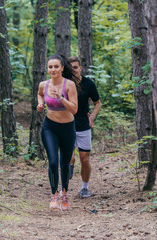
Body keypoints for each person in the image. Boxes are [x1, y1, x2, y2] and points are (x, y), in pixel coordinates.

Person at [37, 54, 78, 211]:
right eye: (50, 67)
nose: (52, 69)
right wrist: (40, 104)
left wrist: (61, 97)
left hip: (67, 128)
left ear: (62, 68)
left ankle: (65, 193)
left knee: (65, 163)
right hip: (50, 127)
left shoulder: (69, 85)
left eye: (56, 66)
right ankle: (54, 195)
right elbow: (40, 94)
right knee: (53, 162)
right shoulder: (43, 84)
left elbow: (74, 109)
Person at [68, 56, 101, 198]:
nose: (73, 70)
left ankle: (85, 188)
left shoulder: (88, 84)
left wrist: (92, 116)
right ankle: (68, 169)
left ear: (80, 68)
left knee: (85, 159)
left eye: (75, 67)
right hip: (67, 125)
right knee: (70, 157)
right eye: (70, 68)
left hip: (83, 126)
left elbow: (97, 103)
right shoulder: (64, 84)